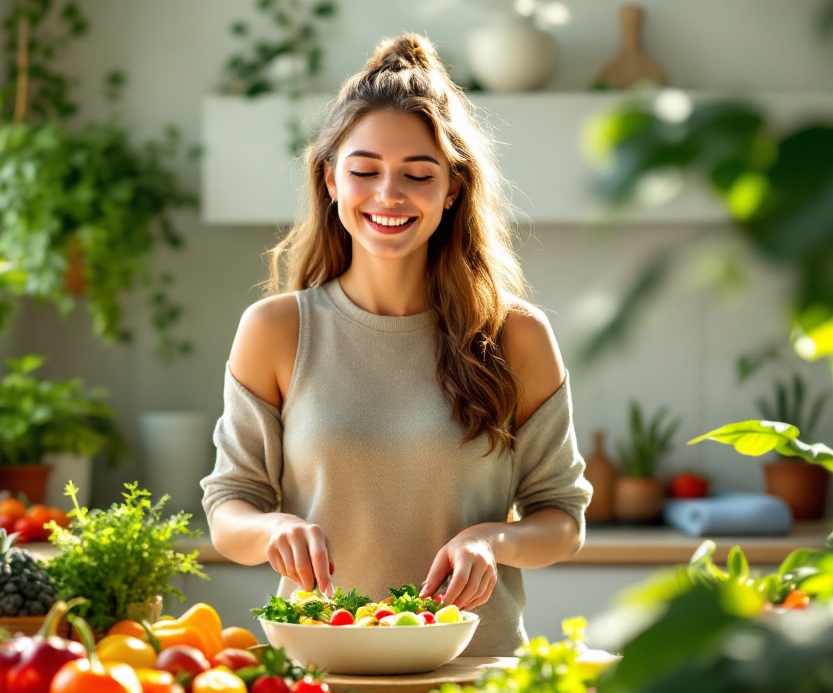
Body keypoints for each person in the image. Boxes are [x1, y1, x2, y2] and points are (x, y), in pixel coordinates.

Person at [201, 33, 592, 656]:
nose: (389, 195)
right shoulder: (276, 330)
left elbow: (561, 519)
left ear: (452, 189)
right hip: (320, 670)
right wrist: (272, 527)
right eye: (364, 171)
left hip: (474, 671)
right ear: (330, 179)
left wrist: (493, 540)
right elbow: (229, 506)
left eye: (417, 174)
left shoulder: (516, 335)